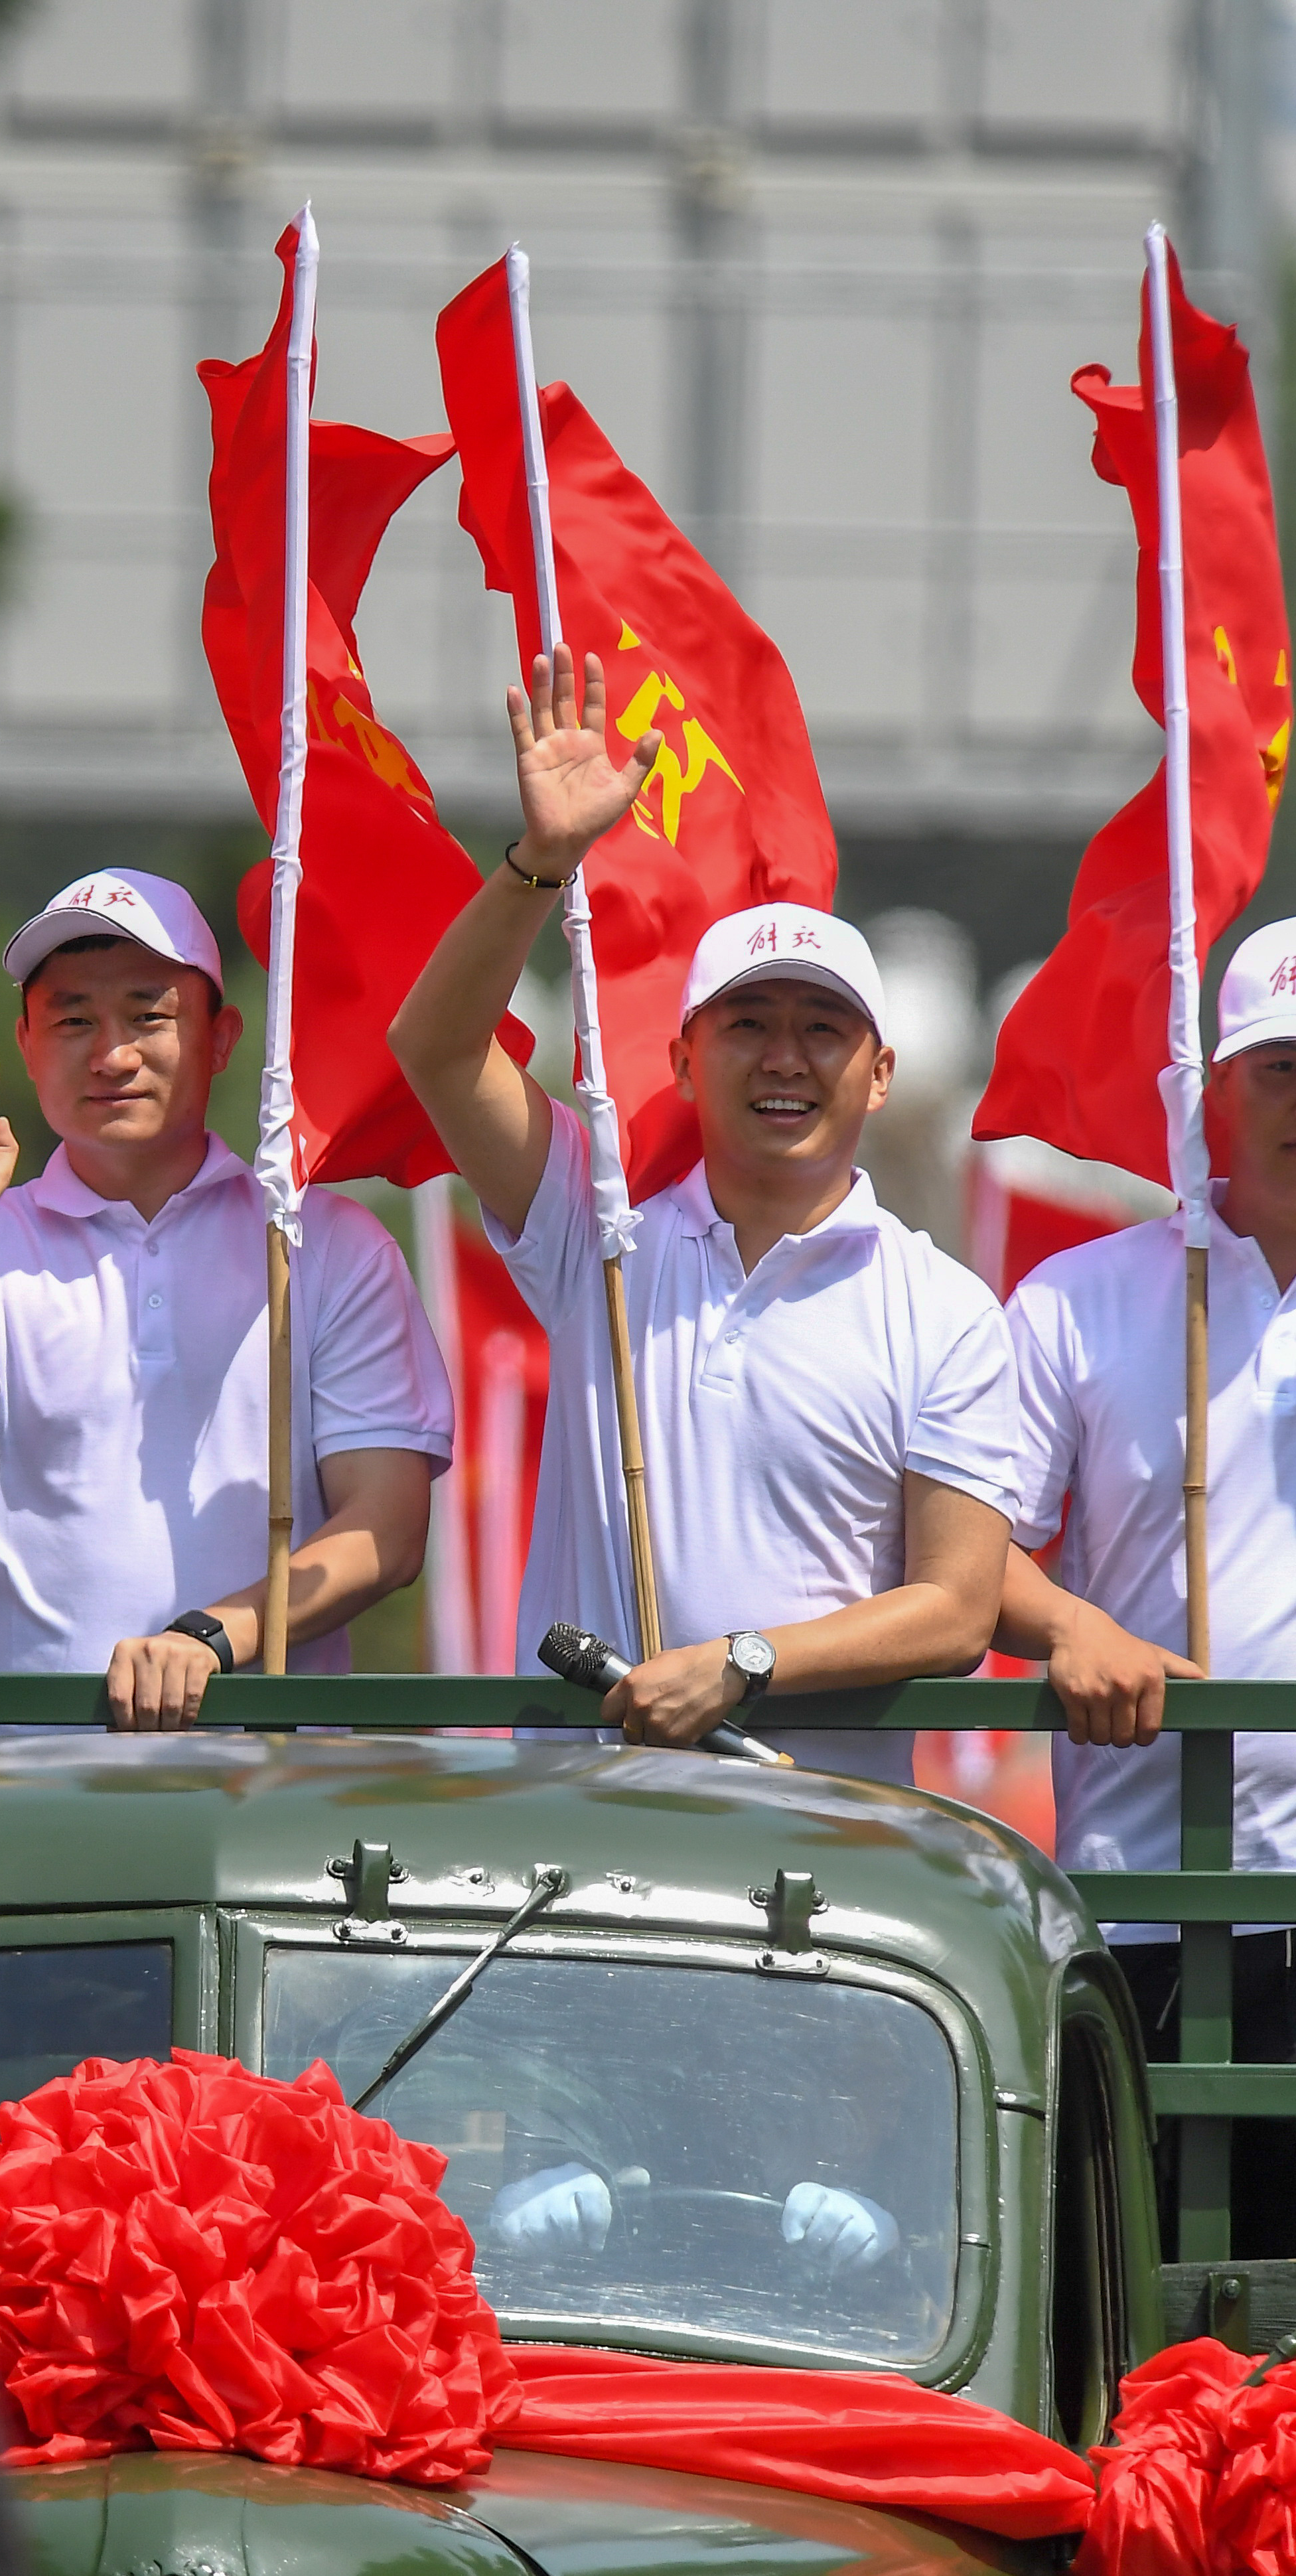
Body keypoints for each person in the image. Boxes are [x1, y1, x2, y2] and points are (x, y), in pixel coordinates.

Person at [390, 649, 1017, 1782]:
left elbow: (957, 1609)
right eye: (747, 1025)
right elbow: (434, 1050)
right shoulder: (602, 1239)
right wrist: (543, 861)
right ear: (683, 1058)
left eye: (824, 1030)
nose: (786, 1058)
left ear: (880, 1074)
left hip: (831, 1856)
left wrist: (744, 1663)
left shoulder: (946, 1307)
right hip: (587, 1831)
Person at [0, 866, 452, 1727]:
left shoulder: (328, 1246)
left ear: (221, 1037)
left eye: (149, 1015)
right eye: (73, 1020)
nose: (112, 1054)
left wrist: (215, 1639)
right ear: (25, 1043)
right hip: (17, 1793)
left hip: (267, 1792)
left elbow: (389, 1532)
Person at [996, 915, 1296, 2243]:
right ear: (1209, 1090)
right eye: (1278, 1068)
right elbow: (965, 1558)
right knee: (1148, 2293)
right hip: (1146, 1890)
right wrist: (1067, 1624)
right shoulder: (1079, 1300)